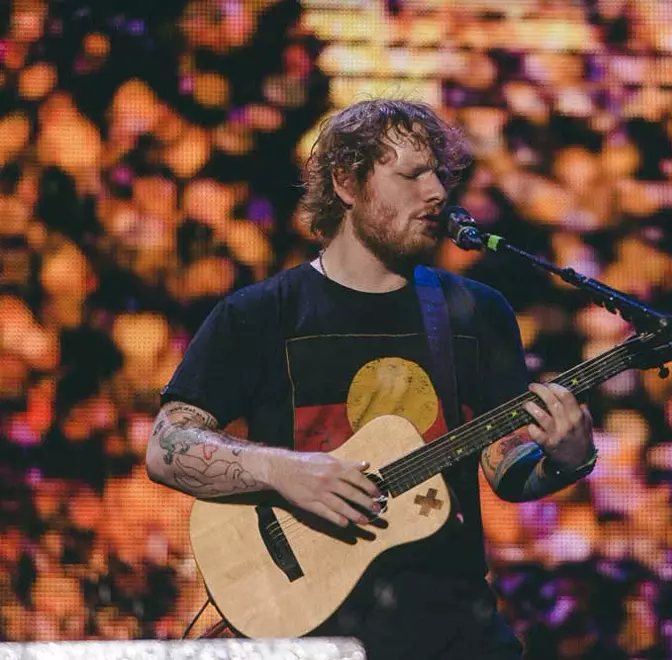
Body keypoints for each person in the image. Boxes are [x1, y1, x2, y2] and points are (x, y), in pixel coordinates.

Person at [145, 98, 599, 660]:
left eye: (440, 175)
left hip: (454, 628)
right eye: (411, 175)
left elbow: (504, 466)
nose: (436, 192)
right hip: (316, 631)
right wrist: (285, 471)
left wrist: (564, 460)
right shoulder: (261, 315)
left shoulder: (476, 312)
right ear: (346, 182)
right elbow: (167, 445)